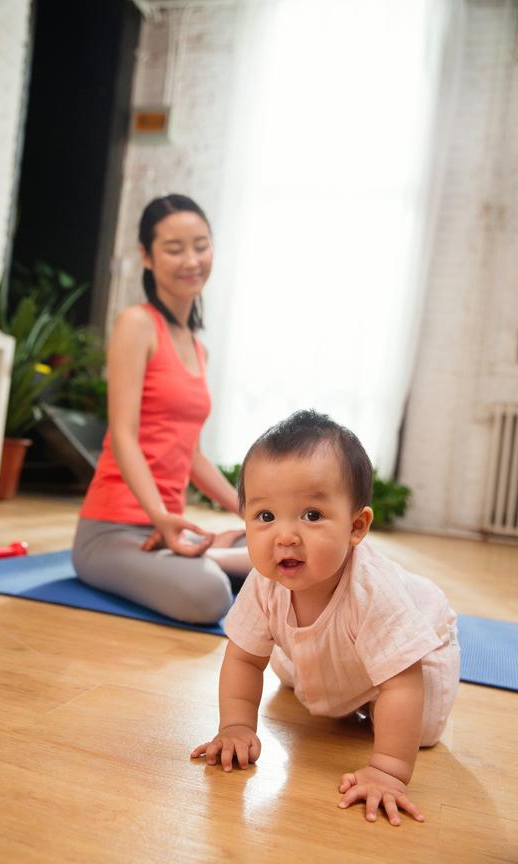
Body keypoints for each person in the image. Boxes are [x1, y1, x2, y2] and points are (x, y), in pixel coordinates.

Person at [191, 409, 460, 826]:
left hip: (416, 646)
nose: (285, 536)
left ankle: (369, 703)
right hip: (342, 647)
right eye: (265, 516)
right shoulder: (265, 582)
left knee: (418, 728)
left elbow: (402, 684)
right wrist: (237, 726)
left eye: (312, 515)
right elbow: (244, 658)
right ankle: (337, 678)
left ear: (356, 526)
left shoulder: (374, 593)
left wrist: (388, 770)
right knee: (295, 665)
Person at [72, 194, 250, 624]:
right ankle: (224, 561)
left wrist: (253, 512)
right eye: (174, 249)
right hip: (114, 531)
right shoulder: (137, 324)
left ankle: (227, 551)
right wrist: (160, 516)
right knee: (209, 595)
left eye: (201, 245)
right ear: (147, 257)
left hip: (167, 530)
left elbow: (191, 455)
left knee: (294, 545)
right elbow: (123, 435)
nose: (191, 260)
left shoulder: (197, 347)